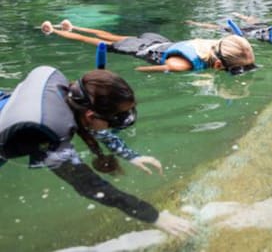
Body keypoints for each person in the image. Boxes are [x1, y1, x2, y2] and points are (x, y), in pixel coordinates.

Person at [0, 66, 196, 236]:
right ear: (91, 115)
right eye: (116, 118)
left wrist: (130, 156)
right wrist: (153, 216)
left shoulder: (69, 93)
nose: (119, 122)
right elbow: (90, 186)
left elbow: (94, 127)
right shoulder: (50, 133)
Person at [41, 19, 256, 75]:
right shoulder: (182, 65)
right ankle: (54, 30)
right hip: (144, 50)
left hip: (158, 40)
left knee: (111, 36)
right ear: (218, 65)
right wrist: (141, 69)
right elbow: (148, 69)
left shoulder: (213, 45)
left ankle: (73, 26)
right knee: (102, 43)